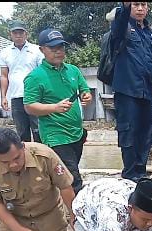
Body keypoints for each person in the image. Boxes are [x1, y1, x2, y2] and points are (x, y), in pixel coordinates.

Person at [24, 28, 92, 193]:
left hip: (76, 133)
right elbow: (29, 106)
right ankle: (75, 216)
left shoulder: (73, 70)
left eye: (61, 47)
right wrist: (54, 108)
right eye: (53, 48)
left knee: (66, 174)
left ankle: (61, 208)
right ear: (42, 50)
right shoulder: (35, 77)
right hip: (56, 136)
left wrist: (86, 95)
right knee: (72, 179)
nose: (58, 52)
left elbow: (84, 89)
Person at [111, 2, 152, 182]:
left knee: (146, 132)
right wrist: (124, 6)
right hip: (127, 90)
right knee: (128, 131)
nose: (139, 8)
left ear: (147, 8)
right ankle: (130, 173)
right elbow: (119, 21)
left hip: (146, 91)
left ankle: (141, 170)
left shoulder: (150, 33)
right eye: (135, 4)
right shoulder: (122, 28)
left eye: (143, 4)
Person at [0, 20, 44, 143]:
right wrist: (3, 97)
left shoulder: (37, 50)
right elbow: (4, 76)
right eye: (15, 33)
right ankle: (26, 160)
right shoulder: (5, 53)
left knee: (38, 130)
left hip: (35, 97)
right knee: (22, 133)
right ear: (11, 35)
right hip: (16, 97)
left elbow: (43, 73)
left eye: (21, 32)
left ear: (26, 34)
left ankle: (42, 159)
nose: (18, 36)